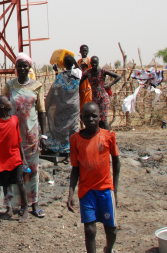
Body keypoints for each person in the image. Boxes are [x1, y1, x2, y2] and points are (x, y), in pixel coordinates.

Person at [67, 102, 120, 253]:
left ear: (100, 117)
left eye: (94, 116)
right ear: (81, 118)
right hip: (86, 191)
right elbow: (75, 169)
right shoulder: (75, 139)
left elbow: (116, 162)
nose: (90, 119)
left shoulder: (108, 136)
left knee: (111, 230)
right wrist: (71, 192)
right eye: (87, 116)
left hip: (105, 190)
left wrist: (115, 189)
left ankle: (108, 248)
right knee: (89, 230)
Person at [1, 53, 46, 217]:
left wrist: (44, 135)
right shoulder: (9, 86)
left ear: (29, 67)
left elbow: (41, 111)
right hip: (12, 134)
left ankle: (34, 203)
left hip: (31, 135)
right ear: (16, 68)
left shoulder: (37, 86)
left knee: (33, 169)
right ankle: (11, 204)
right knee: (12, 168)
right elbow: (2, 109)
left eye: (24, 65)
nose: (21, 68)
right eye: (19, 65)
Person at [0, 96, 29, 222]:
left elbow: (19, 139)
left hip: (15, 156)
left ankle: (25, 207)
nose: (10, 102)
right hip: (2, 158)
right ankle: (8, 208)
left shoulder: (15, 119)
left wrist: (23, 158)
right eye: (8, 101)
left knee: (20, 181)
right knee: (5, 184)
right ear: (3, 106)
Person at [46, 55, 82, 159]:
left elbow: (54, 92)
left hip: (62, 105)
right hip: (74, 106)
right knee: (73, 126)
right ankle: (73, 150)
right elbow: (79, 69)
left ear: (64, 65)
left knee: (61, 127)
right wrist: (75, 61)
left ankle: (63, 150)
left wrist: (51, 104)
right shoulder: (77, 75)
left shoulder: (60, 77)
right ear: (73, 63)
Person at [80, 57, 122, 130]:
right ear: (91, 63)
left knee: (103, 119)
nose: (95, 64)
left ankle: (109, 138)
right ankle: (99, 137)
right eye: (93, 63)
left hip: (103, 97)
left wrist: (109, 85)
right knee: (97, 119)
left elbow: (118, 76)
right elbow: (80, 82)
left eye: (96, 63)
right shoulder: (87, 72)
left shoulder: (102, 71)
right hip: (94, 97)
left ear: (98, 63)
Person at [77, 45, 93, 111]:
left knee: (87, 106)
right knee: (81, 107)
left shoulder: (89, 60)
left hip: (88, 87)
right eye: (83, 51)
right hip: (81, 87)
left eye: (86, 51)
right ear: (80, 52)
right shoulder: (79, 61)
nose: (84, 52)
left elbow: (80, 68)